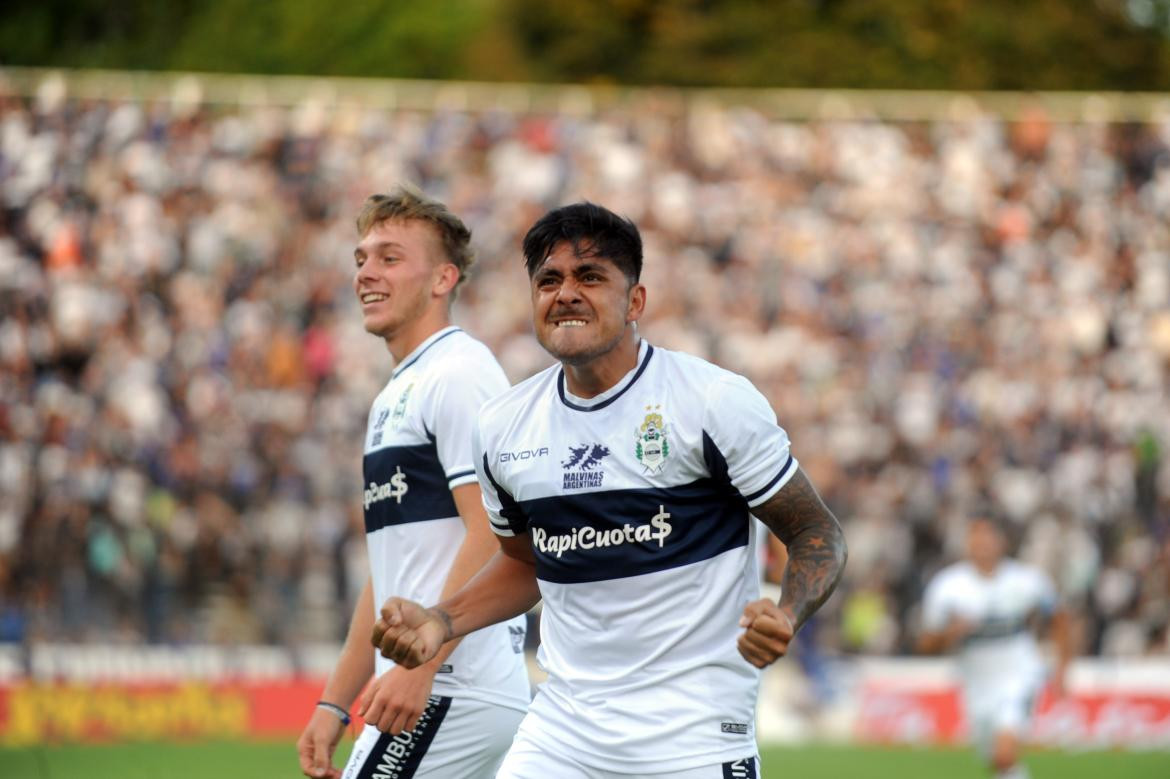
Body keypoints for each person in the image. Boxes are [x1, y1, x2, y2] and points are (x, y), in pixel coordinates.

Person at [371, 202, 848, 778]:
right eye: (549, 280)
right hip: (561, 738)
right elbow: (526, 563)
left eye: (589, 276)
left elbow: (816, 530)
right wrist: (442, 620)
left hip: (692, 742)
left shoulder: (711, 402)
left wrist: (789, 613)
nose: (565, 292)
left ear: (635, 302)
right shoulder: (502, 427)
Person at [296, 187, 529, 779]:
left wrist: (423, 667)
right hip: (432, 681)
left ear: (442, 279)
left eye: (390, 258)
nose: (367, 273)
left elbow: (494, 532)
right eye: (361, 259)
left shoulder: (459, 373)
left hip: (452, 683)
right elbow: (392, 570)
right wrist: (334, 701)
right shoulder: (398, 392)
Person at [918, 516, 1072, 779]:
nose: (983, 543)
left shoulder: (1026, 580)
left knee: (1005, 753)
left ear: (1002, 542)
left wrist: (1062, 668)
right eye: (976, 536)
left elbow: (1060, 618)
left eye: (989, 536)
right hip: (976, 682)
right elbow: (925, 645)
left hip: (1019, 673)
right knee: (998, 763)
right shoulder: (948, 587)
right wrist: (951, 633)